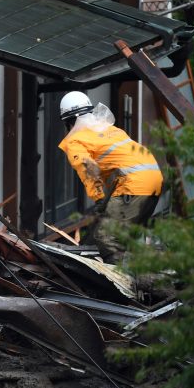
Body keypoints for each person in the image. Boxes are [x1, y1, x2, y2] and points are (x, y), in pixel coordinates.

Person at [57, 91, 163, 265]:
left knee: (106, 237)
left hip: (134, 186)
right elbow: (115, 166)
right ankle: (142, 274)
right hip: (153, 181)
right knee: (125, 237)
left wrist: (99, 200)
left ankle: (120, 284)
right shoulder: (108, 129)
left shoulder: (75, 140)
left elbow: (88, 170)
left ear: (68, 121)